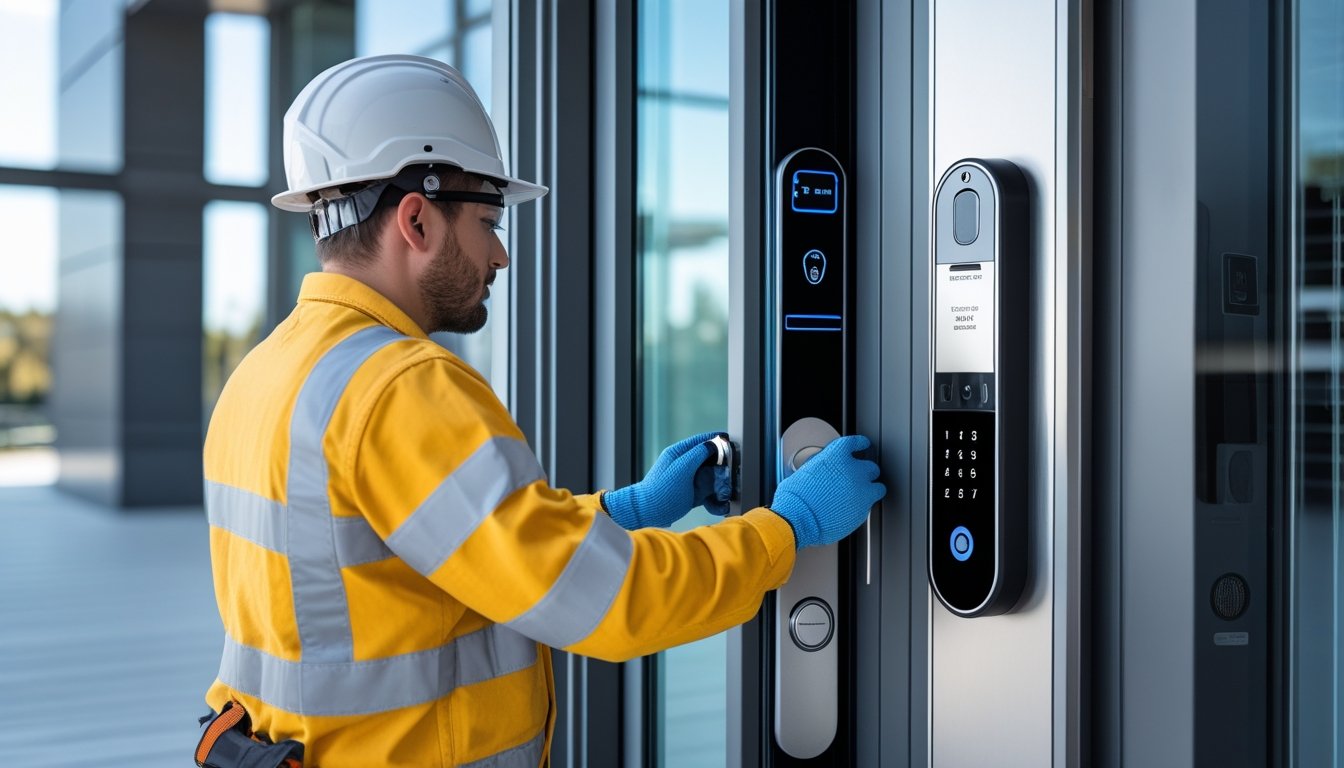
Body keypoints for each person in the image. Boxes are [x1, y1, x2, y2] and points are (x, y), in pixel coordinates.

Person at [196, 54, 885, 768]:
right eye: (488, 222)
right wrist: (788, 527)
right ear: (416, 221)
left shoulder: (266, 375)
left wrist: (624, 510)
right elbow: (612, 602)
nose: (500, 255)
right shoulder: (402, 387)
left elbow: (445, 551)